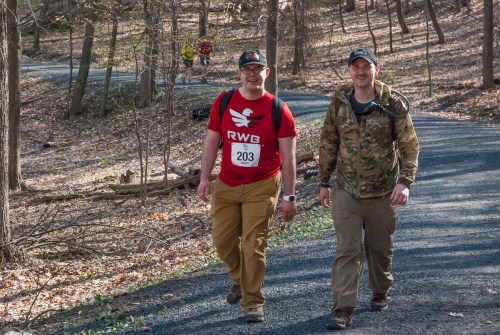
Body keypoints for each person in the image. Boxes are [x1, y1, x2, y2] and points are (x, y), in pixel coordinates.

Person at [318, 48, 419, 330]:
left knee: (379, 248)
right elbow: (328, 142)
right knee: (347, 249)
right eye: (356, 67)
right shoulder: (339, 101)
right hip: (346, 189)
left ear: (377, 69)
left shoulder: (392, 103)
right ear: (349, 71)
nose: (361, 72)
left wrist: (405, 182)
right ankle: (343, 307)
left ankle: (380, 289)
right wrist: (324, 182)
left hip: (383, 190)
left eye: (367, 66)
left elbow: (409, 145)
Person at [197, 49, 298, 323]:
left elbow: (288, 157)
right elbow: (211, 142)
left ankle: (253, 301)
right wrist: (205, 178)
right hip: (227, 184)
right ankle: (240, 278)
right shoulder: (224, 102)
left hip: (263, 184)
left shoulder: (279, 110)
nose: (253, 74)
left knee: (254, 244)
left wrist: (289, 195)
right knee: (222, 242)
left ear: (267, 73)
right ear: (239, 73)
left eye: (258, 69)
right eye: (247, 69)